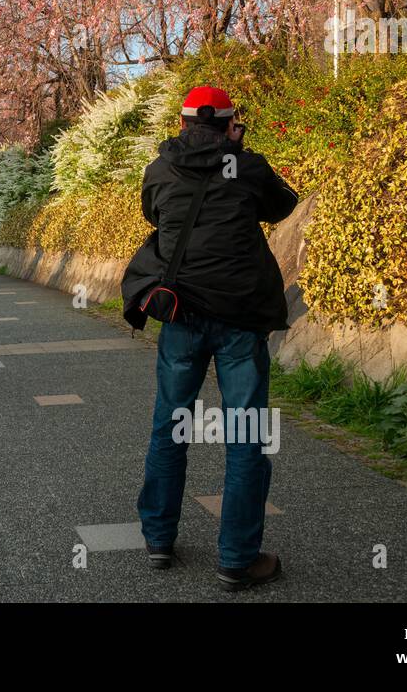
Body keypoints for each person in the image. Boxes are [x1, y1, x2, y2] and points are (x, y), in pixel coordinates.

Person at [126, 85, 298, 591]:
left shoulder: (160, 169)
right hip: (240, 318)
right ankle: (236, 560)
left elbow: (154, 216)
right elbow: (282, 205)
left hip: (180, 313)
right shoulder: (246, 167)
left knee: (170, 424)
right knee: (245, 434)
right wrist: (237, 152)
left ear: (181, 124)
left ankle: (159, 540)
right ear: (229, 124)